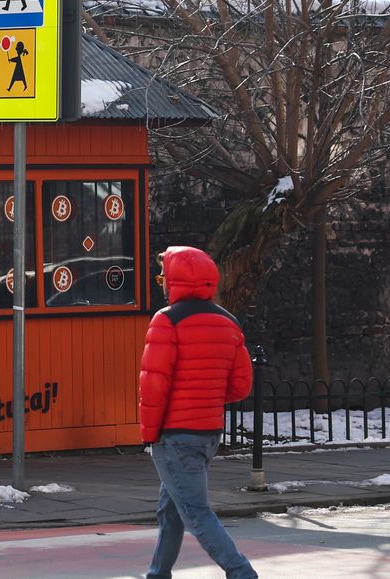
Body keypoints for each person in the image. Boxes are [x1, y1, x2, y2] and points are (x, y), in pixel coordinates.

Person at [141, 246, 256, 579]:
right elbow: (240, 386)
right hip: (208, 432)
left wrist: (150, 434)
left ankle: (241, 572)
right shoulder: (228, 322)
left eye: (163, 276)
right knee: (171, 511)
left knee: (194, 512)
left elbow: (153, 385)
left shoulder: (167, 320)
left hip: (174, 434)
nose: (160, 283)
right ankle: (158, 573)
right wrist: (205, 396)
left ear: (175, 280)